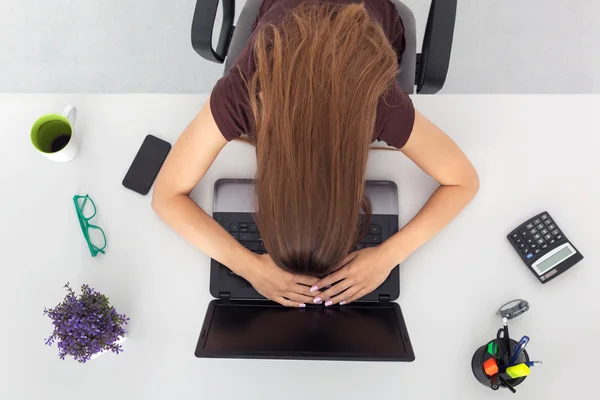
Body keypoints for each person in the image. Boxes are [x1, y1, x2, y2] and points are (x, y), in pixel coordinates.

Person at [152, 0, 479, 308]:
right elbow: (166, 196)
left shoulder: (378, 102)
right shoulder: (244, 93)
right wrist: (248, 266)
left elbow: (464, 181)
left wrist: (389, 255)